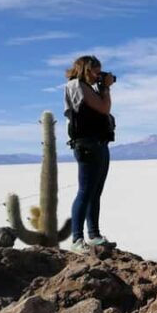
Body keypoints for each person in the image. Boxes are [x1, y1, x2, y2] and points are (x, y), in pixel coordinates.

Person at [64, 55, 116, 253]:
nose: (99, 76)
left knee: (95, 192)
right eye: (97, 71)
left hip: (99, 143)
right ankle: (77, 239)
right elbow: (104, 107)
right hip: (87, 145)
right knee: (85, 191)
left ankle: (94, 235)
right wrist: (106, 87)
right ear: (86, 69)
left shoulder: (88, 87)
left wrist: (102, 87)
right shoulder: (77, 86)